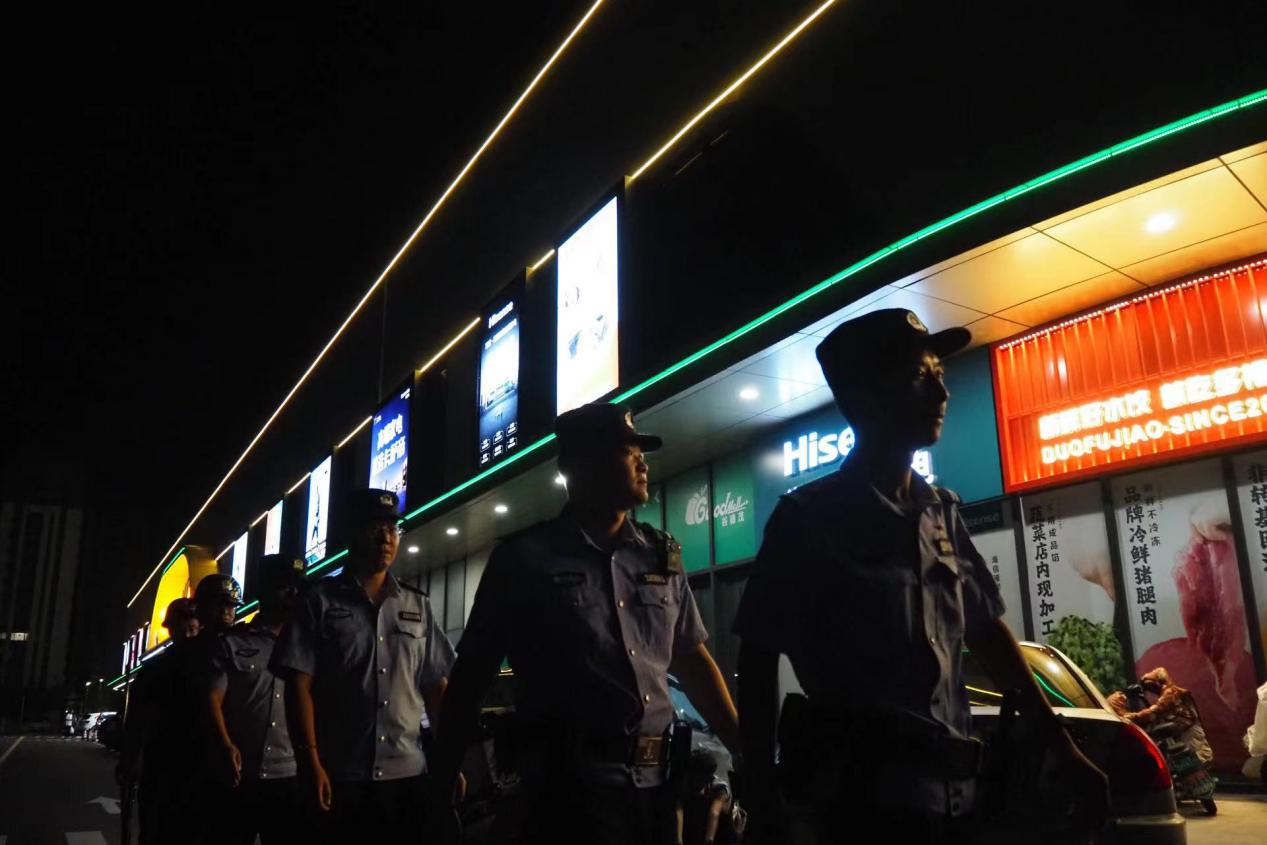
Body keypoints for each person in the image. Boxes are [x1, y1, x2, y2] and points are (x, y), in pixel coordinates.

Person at [733, 309, 1109, 844]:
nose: (941, 392)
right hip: (862, 808)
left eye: (940, 373)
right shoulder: (808, 518)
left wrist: (1059, 742)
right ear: (863, 398)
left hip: (959, 803)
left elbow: (986, 631)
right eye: (918, 376)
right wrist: (761, 790)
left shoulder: (941, 513)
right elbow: (758, 655)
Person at [429, 402, 741, 845]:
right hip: (569, 798)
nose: (642, 463)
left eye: (641, 453)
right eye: (627, 452)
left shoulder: (659, 555)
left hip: (658, 794)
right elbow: (469, 681)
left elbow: (691, 659)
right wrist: (441, 786)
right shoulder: (523, 560)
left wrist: (743, 746)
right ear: (581, 466)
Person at [272, 488, 455, 842]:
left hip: (409, 775)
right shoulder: (318, 602)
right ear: (351, 533)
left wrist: (448, 760)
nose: (386, 537)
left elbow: (435, 687)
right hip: (341, 777)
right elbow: (298, 687)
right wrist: (310, 762)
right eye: (375, 527)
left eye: (392, 528)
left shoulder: (418, 605)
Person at [207, 554, 308, 844]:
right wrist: (225, 744)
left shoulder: (310, 644)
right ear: (264, 589)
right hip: (240, 776)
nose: (293, 593)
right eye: (284, 585)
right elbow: (212, 699)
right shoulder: (233, 642)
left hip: (292, 776)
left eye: (297, 586)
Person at [116, 596, 204, 845]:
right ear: (171, 629)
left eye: (192, 627)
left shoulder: (212, 665)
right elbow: (136, 722)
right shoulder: (153, 671)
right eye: (182, 626)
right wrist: (129, 759)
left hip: (200, 768)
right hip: (162, 766)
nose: (188, 633)